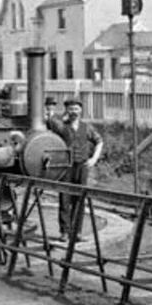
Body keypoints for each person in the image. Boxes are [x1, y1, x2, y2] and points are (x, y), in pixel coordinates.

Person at [50, 98, 104, 242]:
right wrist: (62, 116)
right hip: (65, 167)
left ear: (81, 111)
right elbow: (50, 121)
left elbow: (99, 142)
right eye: (71, 109)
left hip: (82, 166)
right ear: (67, 110)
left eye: (76, 109)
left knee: (79, 199)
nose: (74, 112)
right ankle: (65, 232)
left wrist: (93, 159)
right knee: (64, 198)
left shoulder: (87, 128)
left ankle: (77, 232)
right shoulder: (61, 126)